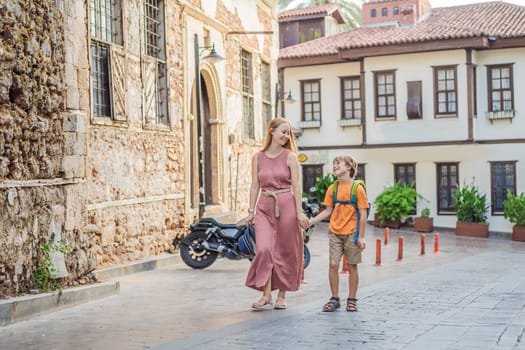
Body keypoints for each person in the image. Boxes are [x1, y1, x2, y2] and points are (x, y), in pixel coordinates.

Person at [245, 118, 309, 310]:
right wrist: (251, 211)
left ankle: (281, 295)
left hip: (286, 206)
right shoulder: (257, 157)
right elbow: (255, 185)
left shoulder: (290, 157)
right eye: (283, 131)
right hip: (264, 207)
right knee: (264, 249)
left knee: (285, 251)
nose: (286, 136)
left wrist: (299, 212)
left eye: (288, 133)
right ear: (271, 131)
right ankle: (266, 294)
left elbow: (297, 187)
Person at [306, 155, 368, 312]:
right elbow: (328, 210)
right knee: (333, 264)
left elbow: (363, 214)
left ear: (349, 167)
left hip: (352, 233)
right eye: (333, 164)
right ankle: (335, 298)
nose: (334, 166)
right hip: (335, 231)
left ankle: (352, 299)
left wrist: (361, 236)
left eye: (338, 163)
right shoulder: (332, 188)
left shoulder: (357, 189)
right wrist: (311, 221)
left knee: (352, 266)